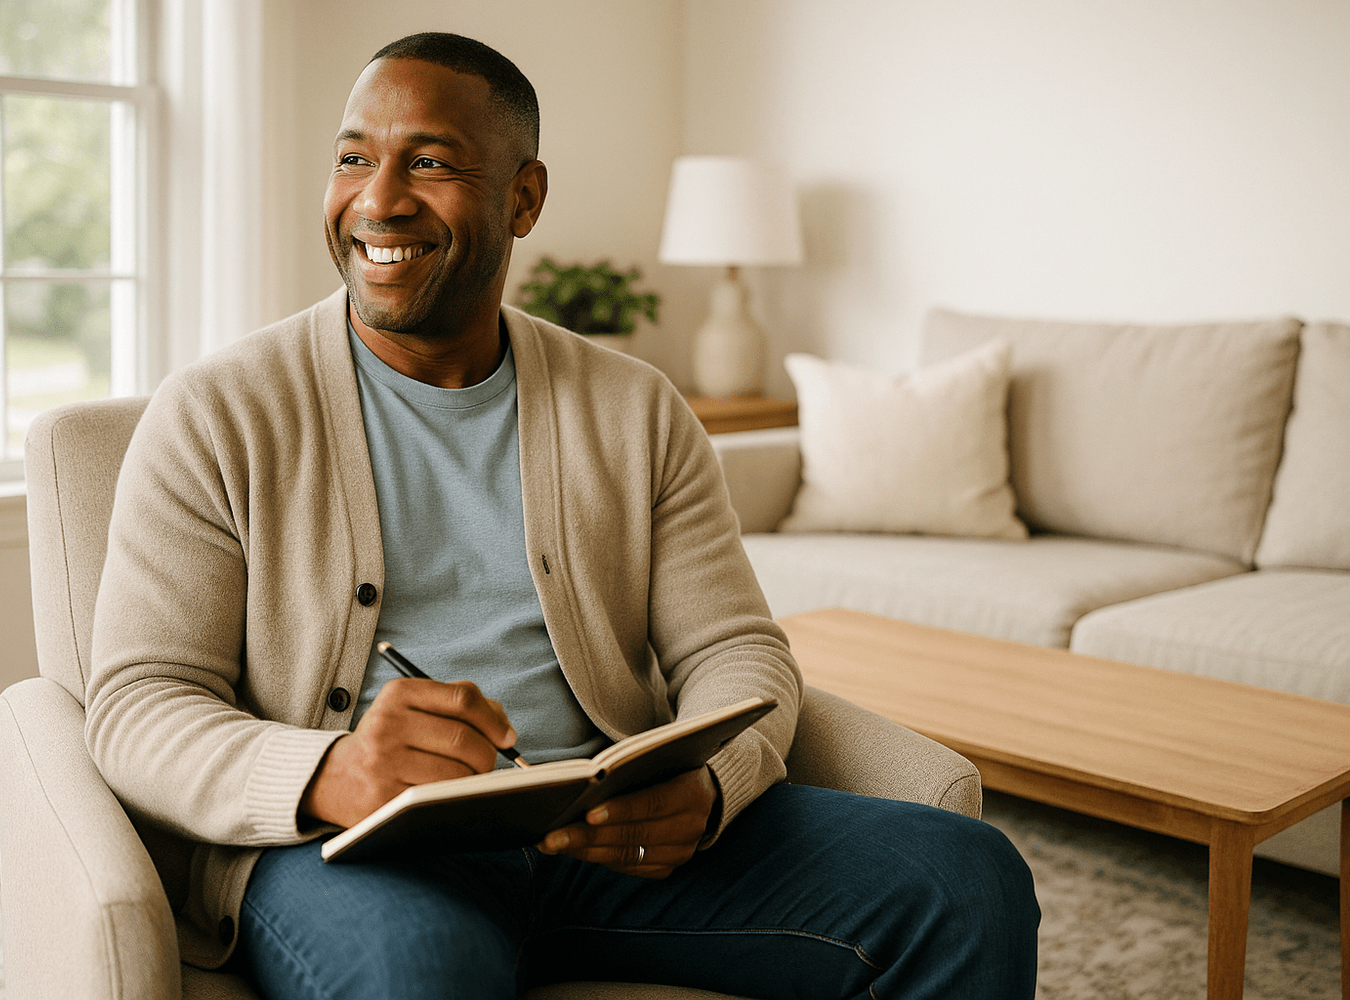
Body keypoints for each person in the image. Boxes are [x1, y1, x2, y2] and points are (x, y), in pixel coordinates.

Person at [86, 30, 1040, 1000]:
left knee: (968, 879)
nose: (377, 199)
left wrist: (713, 784)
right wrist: (332, 768)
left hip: (612, 838)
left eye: (429, 161)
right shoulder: (218, 412)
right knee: (424, 975)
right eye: (353, 158)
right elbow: (134, 703)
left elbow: (738, 649)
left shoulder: (635, 407)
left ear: (524, 196)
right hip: (351, 849)